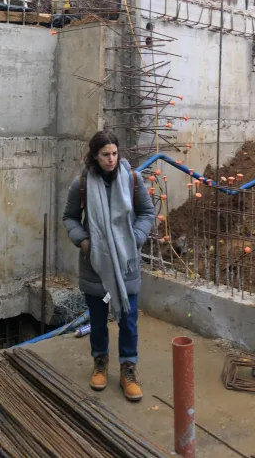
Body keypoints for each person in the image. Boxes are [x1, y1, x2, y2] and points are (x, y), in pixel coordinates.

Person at [61, 130, 157, 402]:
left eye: (115, 153)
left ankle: (128, 367)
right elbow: (69, 217)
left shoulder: (132, 180)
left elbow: (147, 213)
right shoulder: (81, 184)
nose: (111, 160)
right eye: (105, 155)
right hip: (95, 265)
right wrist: (84, 242)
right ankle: (100, 362)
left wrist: (135, 239)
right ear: (95, 156)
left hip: (126, 262)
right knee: (99, 320)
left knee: (128, 320)